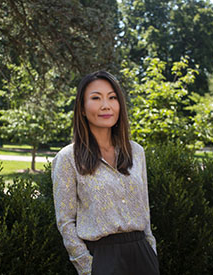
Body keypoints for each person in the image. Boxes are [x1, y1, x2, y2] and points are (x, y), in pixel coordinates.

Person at [51, 71, 160, 275]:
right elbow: (65, 222)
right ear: (82, 109)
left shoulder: (136, 152)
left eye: (112, 97)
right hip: (102, 259)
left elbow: (144, 211)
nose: (106, 105)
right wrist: (87, 267)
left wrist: (150, 250)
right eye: (96, 98)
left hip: (142, 255)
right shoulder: (67, 158)